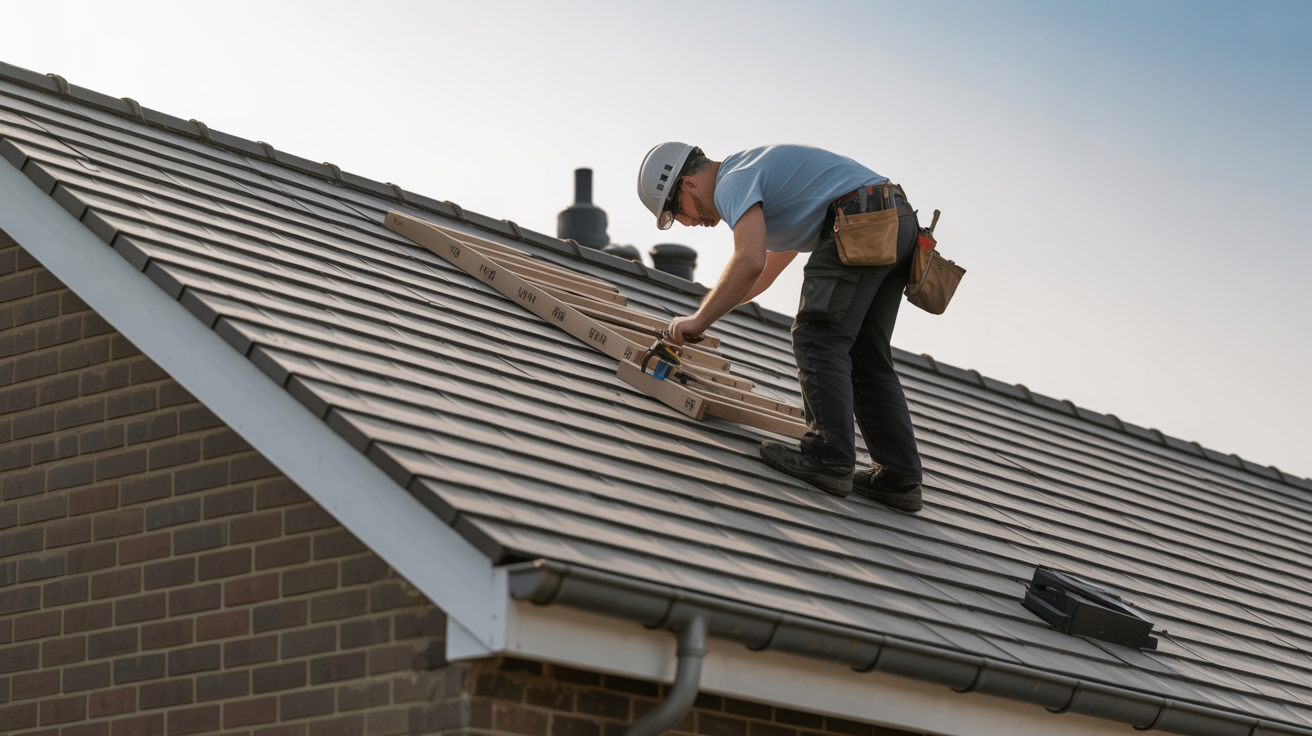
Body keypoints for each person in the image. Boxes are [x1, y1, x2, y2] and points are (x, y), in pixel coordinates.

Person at [635, 143, 924, 512]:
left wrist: (695, 321)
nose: (690, 224)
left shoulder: (731, 183)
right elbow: (760, 275)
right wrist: (702, 320)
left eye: (678, 213)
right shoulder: (758, 179)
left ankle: (829, 456)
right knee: (865, 353)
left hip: (861, 216)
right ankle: (899, 478)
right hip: (893, 219)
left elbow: (749, 260)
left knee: (817, 336)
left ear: (688, 184)